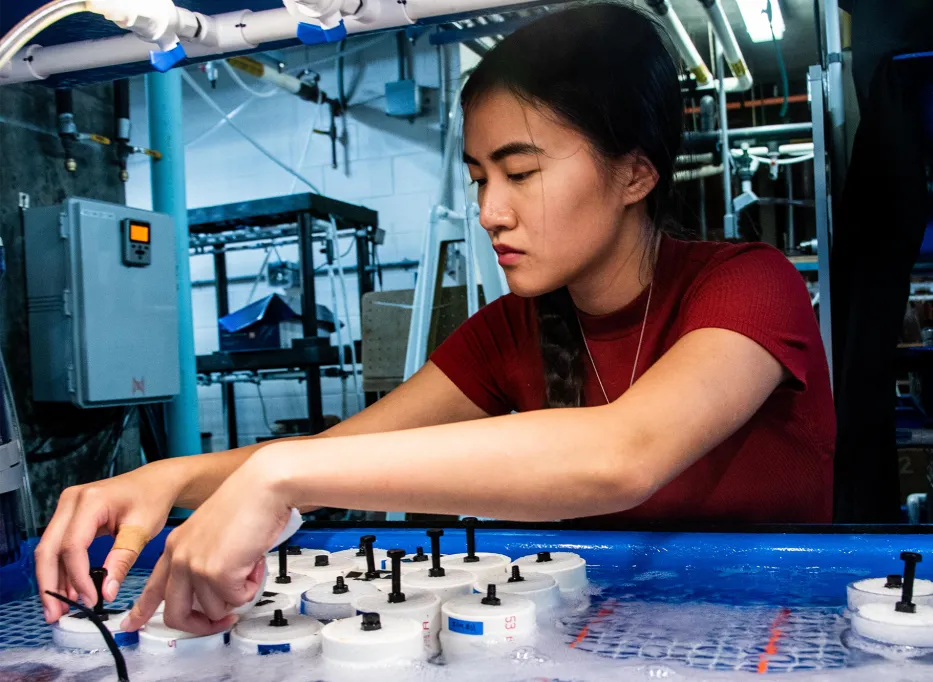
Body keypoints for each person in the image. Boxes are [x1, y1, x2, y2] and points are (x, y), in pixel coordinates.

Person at [35, 3, 834, 636]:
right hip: (600, 631)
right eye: (481, 176)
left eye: (520, 173)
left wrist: (278, 481)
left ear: (635, 174)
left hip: (783, 628)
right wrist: (161, 479)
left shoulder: (748, 288)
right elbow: (342, 453)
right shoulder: (507, 332)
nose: (490, 211)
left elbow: (623, 455)